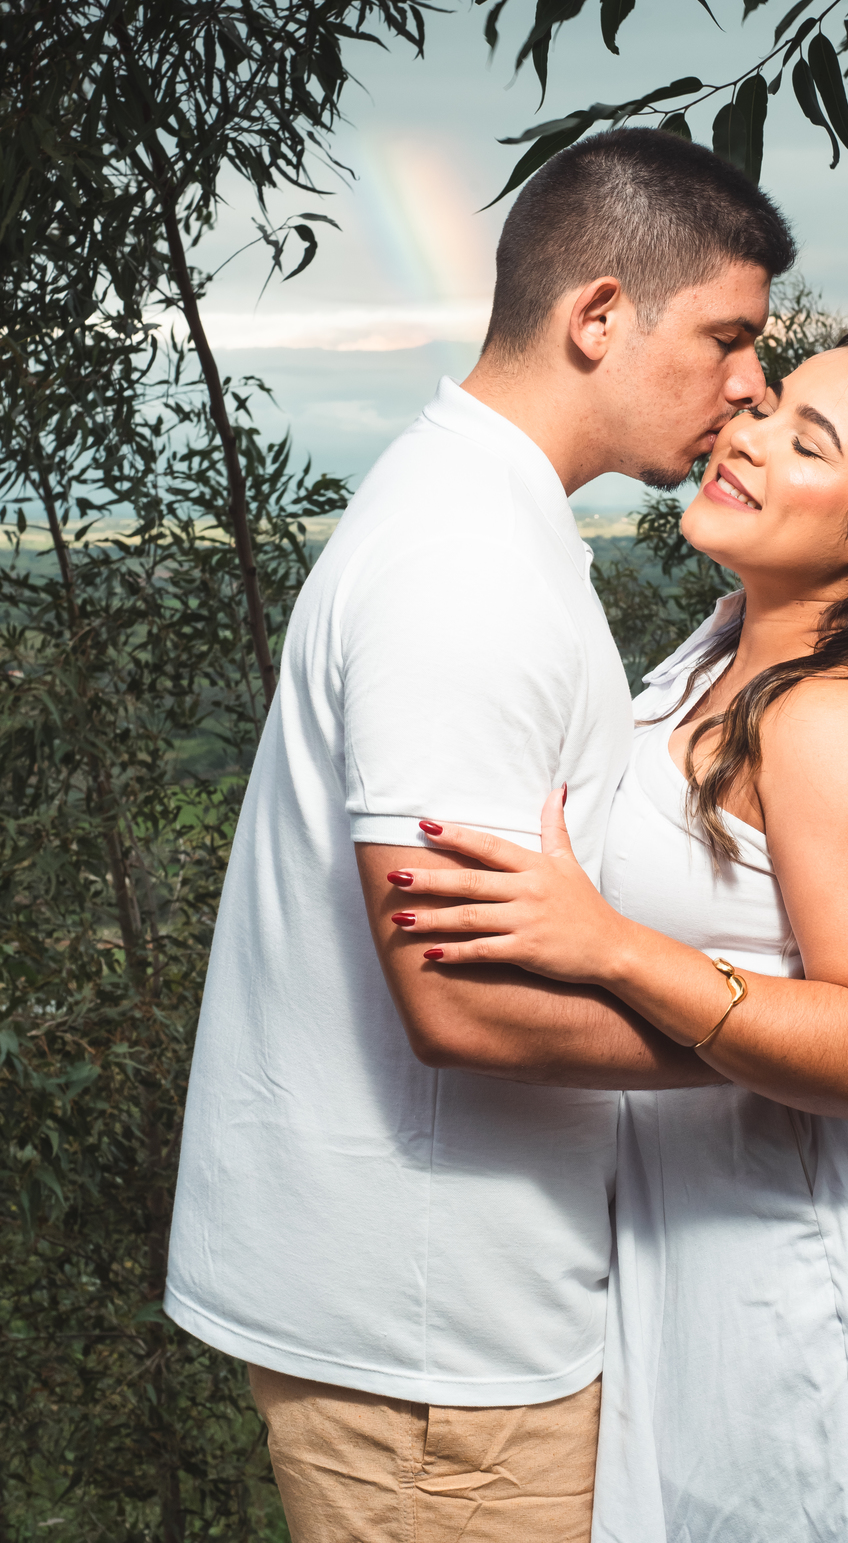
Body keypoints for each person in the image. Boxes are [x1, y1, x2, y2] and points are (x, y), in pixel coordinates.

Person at [164, 128, 795, 1542]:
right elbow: (458, 999)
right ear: (598, 317)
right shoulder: (467, 563)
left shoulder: (488, 517)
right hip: (429, 1349)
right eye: (730, 337)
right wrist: (787, 1051)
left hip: (450, 1317)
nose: (754, 383)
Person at [388, 331, 848, 1541]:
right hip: (702, 1263)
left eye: (807, 443)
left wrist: (611, 948)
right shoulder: (719, 652)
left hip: (819, 1288)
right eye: (769, 409)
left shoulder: (847, 721)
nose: (749, 438)